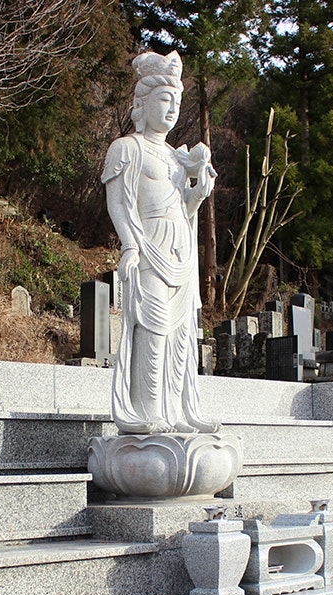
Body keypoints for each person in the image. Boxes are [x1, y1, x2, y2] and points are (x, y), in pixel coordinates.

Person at [101, 50, 219, 435]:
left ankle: (177, 410)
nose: (171, 110)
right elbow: (118, 202)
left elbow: (184, 208)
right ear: (142, 103)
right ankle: (149, 411)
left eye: (177, 102)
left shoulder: (176, 157)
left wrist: (199, 190)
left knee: (182, 334)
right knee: (153, 329)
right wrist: (130, 246)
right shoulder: (127, 148)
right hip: (150, 246)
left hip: (181, 250)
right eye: (164, 100)